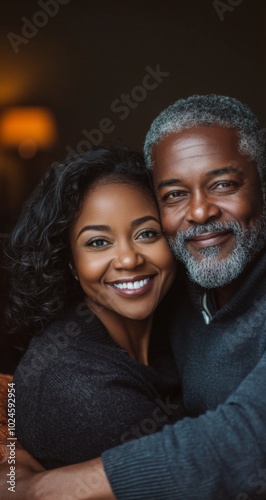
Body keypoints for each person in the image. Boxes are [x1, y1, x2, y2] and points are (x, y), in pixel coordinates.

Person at [1, 95, 266, 499]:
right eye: (174, 194)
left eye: (222, 184)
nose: (200, 212)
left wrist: (40, 488)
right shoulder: (83, 381)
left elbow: (256, 435)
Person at [3, 147, 184, 468]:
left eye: (147, 233)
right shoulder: (82, 391)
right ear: (70, 261)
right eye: (98, 242)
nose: (129, 259)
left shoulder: (175, 329)